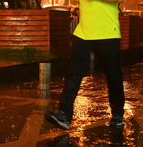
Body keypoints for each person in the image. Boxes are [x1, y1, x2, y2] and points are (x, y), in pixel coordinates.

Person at [45, 0, 125, 130]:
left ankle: (118, 114)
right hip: (83, 33)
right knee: (73, 74)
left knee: (113, 76)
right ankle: (64, 114)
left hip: (108, 33)